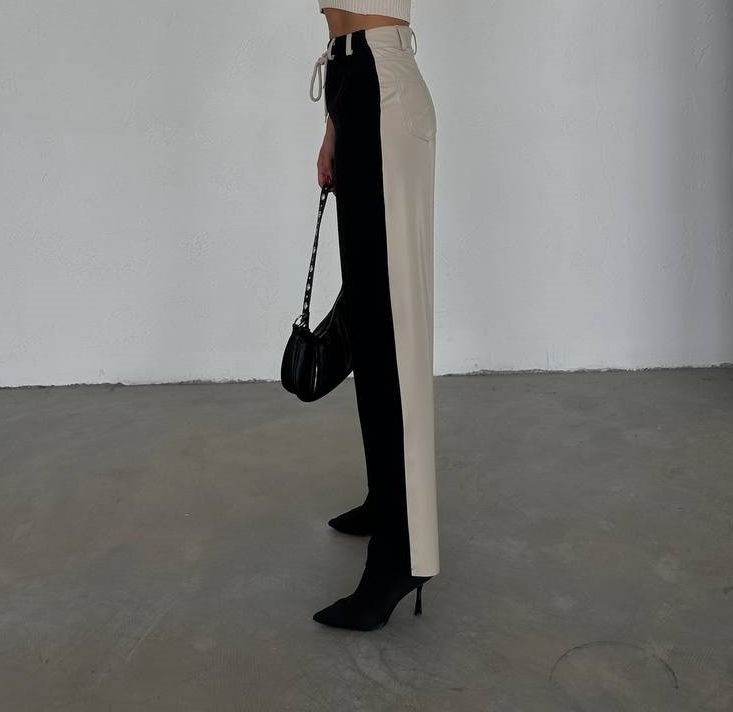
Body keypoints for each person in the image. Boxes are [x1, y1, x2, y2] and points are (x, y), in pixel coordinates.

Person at [308, 0, 440, 631]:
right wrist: (335, 123)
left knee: (392, 329)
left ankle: (402, 552)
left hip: (382, 86)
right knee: (368, 317)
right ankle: (386, 498)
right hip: (354, 84)